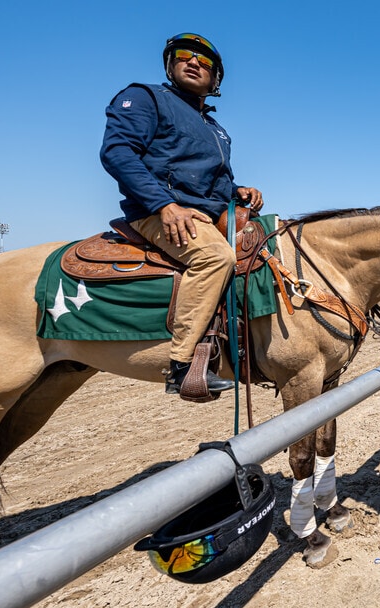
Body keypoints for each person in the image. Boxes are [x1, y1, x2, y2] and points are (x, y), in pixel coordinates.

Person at [100, 33, 264, 396]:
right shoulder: (145, 97)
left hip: (206, 214)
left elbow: (215, 183)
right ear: (171, 64)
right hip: (158, 211)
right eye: (185, 56)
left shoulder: (216, 129)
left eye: (205, 62)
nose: (194, 62)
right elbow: (117, 152)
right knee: (213, 256)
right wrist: (164, 205)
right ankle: (183, 366)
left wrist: (238, 191)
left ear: (215, 79)